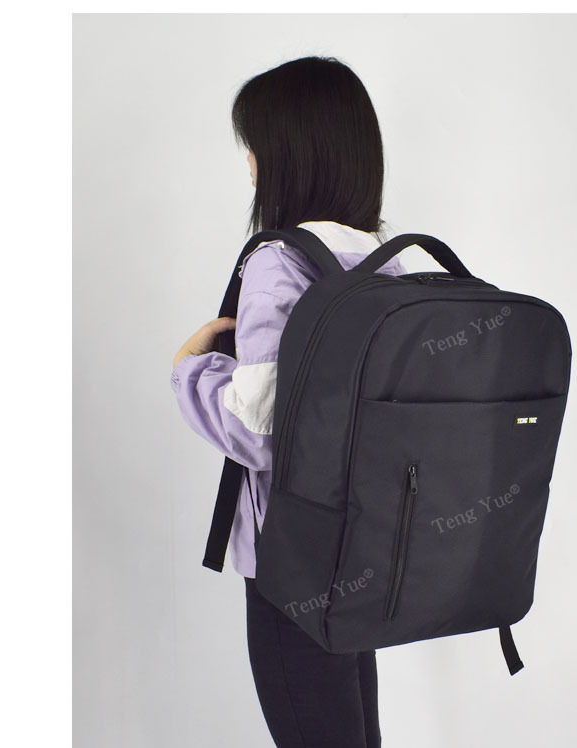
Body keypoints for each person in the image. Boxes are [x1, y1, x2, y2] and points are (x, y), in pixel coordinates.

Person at [170, 56, 407, 748]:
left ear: (285, 156)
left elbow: (263, 432)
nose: (249, 164)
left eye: (254, 146)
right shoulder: (382, 257)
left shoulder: (279, 260)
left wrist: (190, 371)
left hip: (291, 564)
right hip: (358, 551)